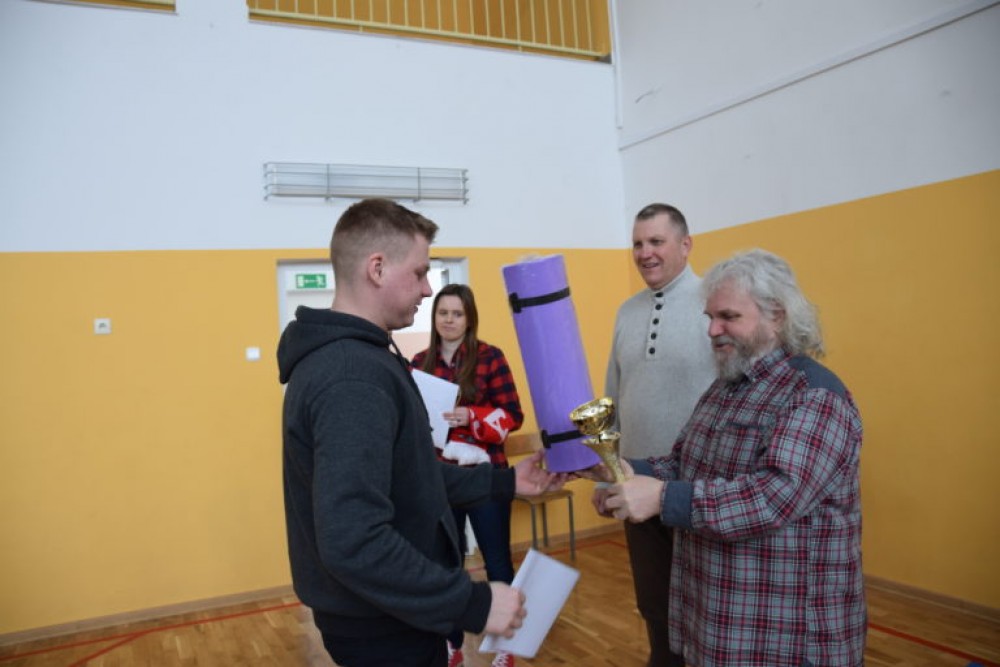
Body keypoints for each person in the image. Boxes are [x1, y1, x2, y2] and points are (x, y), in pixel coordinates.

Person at [277, 198, 565, 667]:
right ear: (377, 268)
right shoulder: (352, 375)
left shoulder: (364, 358)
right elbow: (353, 539)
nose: (428, 289)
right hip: (380, 624)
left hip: (390, 614)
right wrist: (473, 602)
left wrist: (506, 481)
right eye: (420, 273)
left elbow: (411, 475)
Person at [603, 249, 866, 667]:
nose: (712, 329)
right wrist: (629, 472)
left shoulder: (814, 396)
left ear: (777, 316)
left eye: (728, 317)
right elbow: (684, 462)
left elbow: (772, 498)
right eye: (710, 317)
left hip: (787, 636)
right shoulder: (725, 387)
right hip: (722, 621)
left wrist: (662, 498)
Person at [598, 203, 716, 667]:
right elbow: (611, 398)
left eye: (656, 242)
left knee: (707, 610)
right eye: (637, 243)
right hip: (634, 486)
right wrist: (610, 474)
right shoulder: (626, 312)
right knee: (654, 606)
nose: (645, 253)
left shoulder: (715, 305)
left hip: (698, 492)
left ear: (685, 245)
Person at [412, 283, 523, 667]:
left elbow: (513, 416)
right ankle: (450, 643)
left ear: (469, 318)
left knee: (497, 561)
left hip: (487, 476)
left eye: (457, 313)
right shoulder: (419, 362)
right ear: (434, 317)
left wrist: (471, 416)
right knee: (446, 563)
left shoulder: (491, 357)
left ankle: (505, 643)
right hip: (440, 479)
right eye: (443, 313)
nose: (449, 320)